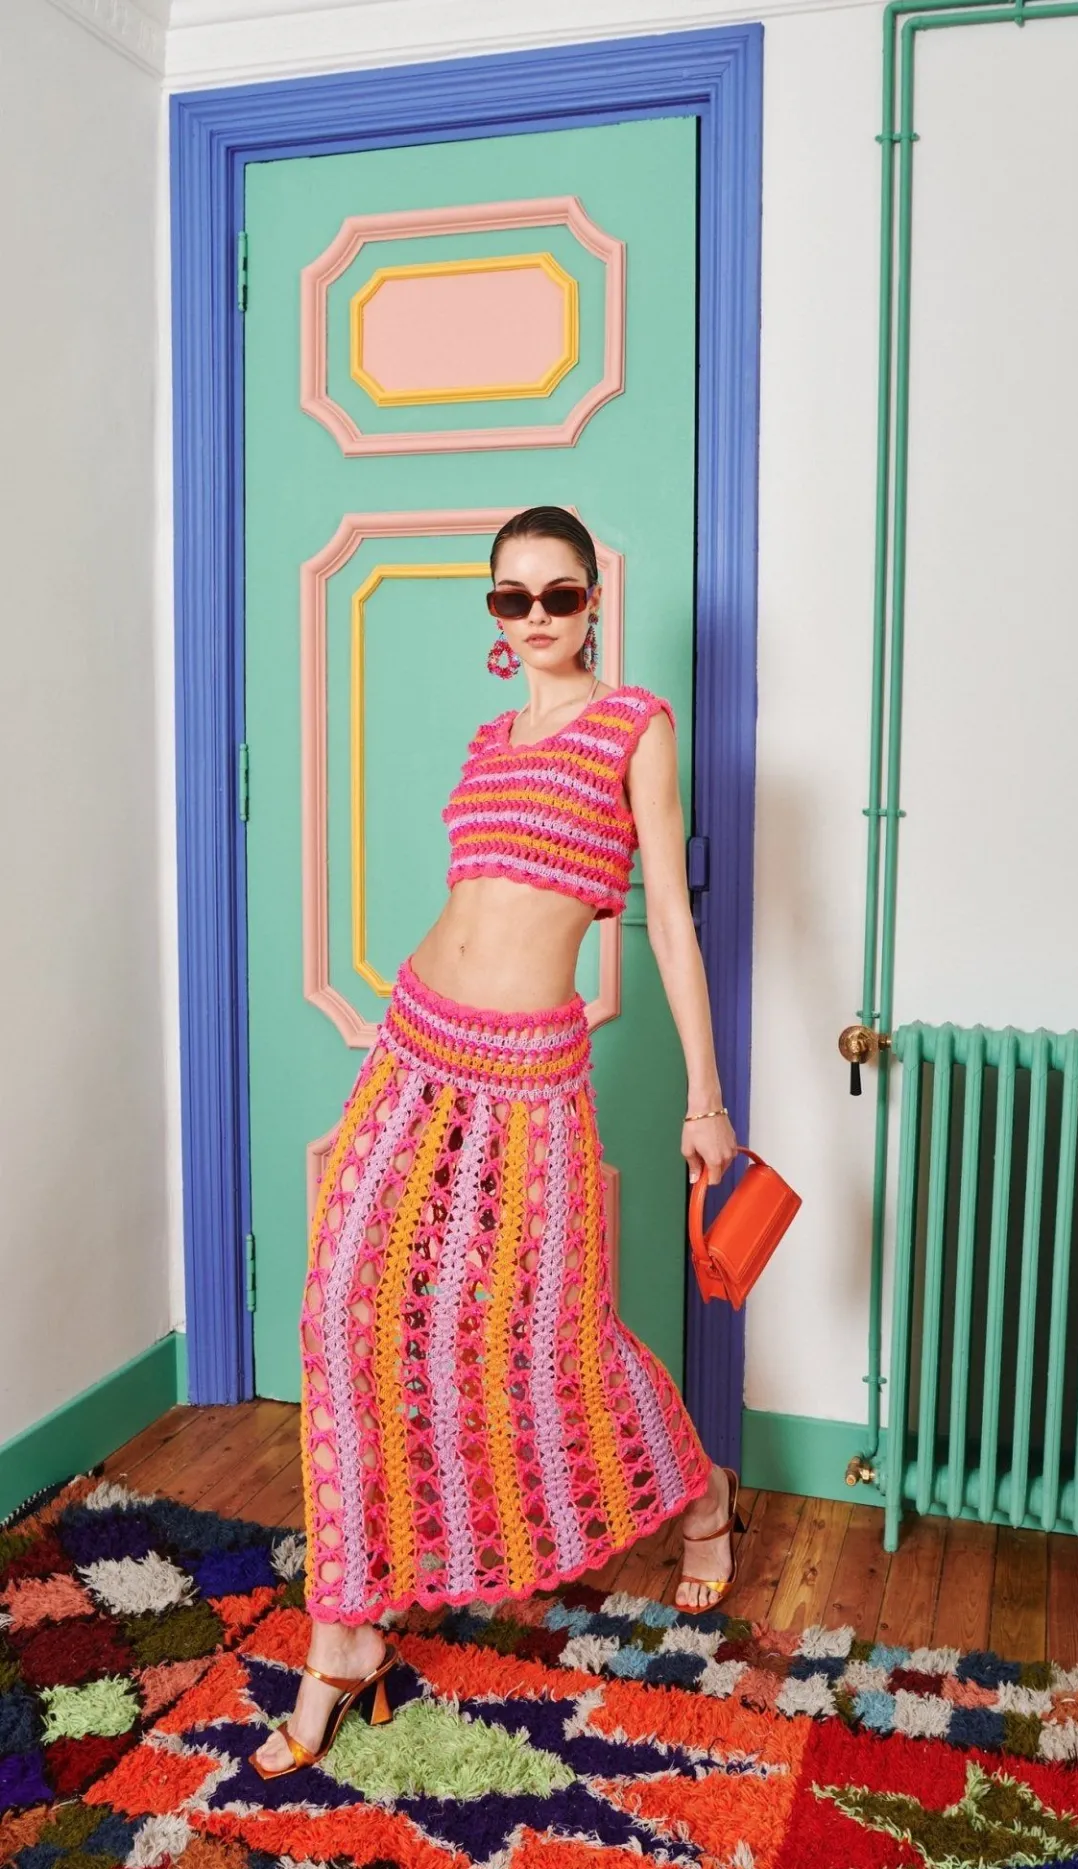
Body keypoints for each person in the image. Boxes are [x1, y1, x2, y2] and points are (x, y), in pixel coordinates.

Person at [252, 505, 741, 1779]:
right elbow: (470, 902)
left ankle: (700, 1495)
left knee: (548, 1334)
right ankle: (345, 1635)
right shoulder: (487, 741)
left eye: (556, 595)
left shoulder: (633, 725)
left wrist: (704, 1097)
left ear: (593, 601)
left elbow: (667, 922)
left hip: (529, 1077)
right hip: (415, 1043)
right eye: (509, 598)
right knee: (342, 1307)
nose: (534, 618)